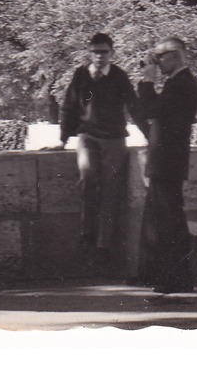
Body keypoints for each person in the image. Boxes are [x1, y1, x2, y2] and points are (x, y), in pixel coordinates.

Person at [59, 33, 145, 257]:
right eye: (95, 52)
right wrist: (63, 138)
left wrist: (149, 134)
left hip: (115, 139)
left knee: (111, 188)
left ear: (111, 53)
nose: (99, 56)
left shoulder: (119, 76)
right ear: (89, 53)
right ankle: (87, 235)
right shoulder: (81, 75)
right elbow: (68, 106)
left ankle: (104, 243)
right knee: (87, 180)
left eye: (104, 52)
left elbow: (134, 106)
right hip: (88, 136)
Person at [133, 37, 197, 296]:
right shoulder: (178, 83)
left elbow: (151, 109)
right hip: (165, 160)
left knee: (169, 222)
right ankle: (164, 275)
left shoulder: (181, 84)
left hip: (168, 161)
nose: (157, 63)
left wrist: (148, 81)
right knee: (162, 221)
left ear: (173, 56)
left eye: (159, 57)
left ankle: (176, 279)